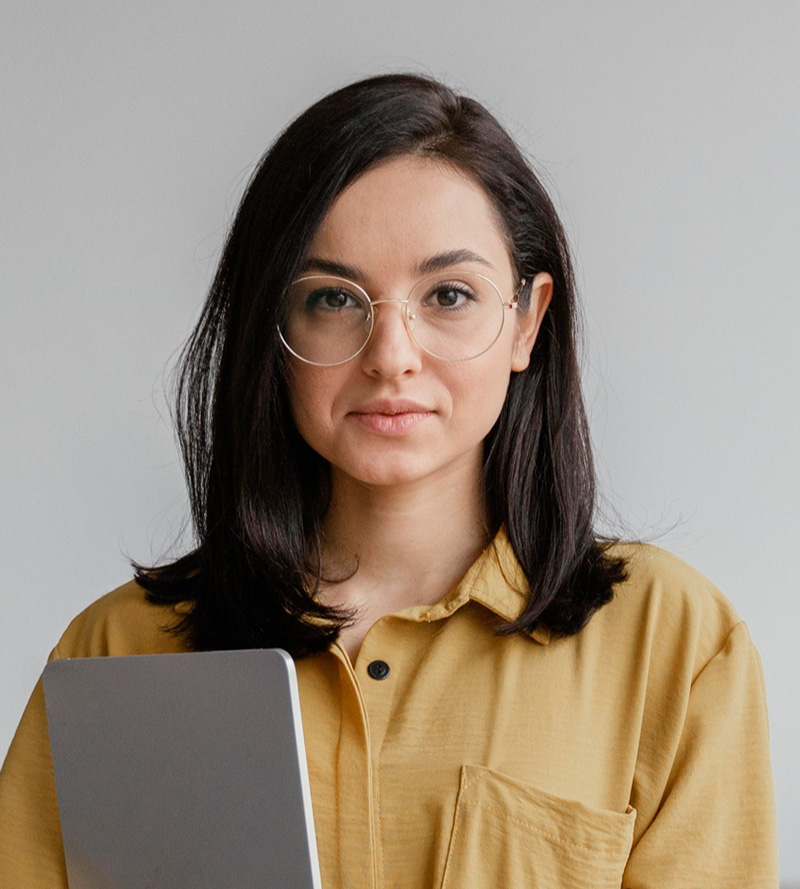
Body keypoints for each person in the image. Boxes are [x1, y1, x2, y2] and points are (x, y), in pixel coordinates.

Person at [0, 73, 779, 887]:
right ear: (273, 325)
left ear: (526, 321)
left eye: (448, 294)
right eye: (334, 297)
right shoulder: (118, 655)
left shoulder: (676, 643)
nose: (390, 355)